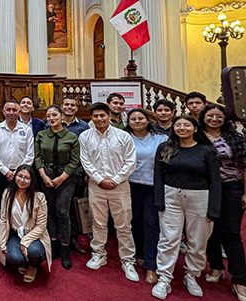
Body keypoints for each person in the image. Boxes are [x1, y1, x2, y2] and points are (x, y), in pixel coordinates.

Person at [152, 115, 220, 300]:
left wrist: (213, 209)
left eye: (186, 125)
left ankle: (192, 275)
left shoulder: (207, 151)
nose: (182, 128)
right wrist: (159, 201)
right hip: (171, 196)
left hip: (199, 198)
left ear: (195, 129)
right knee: (168, 238)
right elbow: (158, 176)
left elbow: (215, 181)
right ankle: (164, 277)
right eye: (178, 125)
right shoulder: (165, 148)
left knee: (197, 240)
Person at [201, 104, 246, 301]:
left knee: (231, 232)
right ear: (203, 118)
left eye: (218, 116)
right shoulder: (197, 136)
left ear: (224, 119)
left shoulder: (235, 138)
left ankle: (239, 279)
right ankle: (216, 266)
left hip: (230, 187)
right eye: (210, 116)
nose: (214, 119)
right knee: (210, 230)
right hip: (204, 189)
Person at [78, 102, 139, 281]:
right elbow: (85, 161)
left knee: (123, 225)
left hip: (119, 186)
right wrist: (100, 179)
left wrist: (115, 179)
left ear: (109, 116)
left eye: (102, 115)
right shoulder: (85, 136)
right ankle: (99, 254)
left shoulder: (123, 136)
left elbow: (131, 161)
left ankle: (128, 260)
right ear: (91, 118)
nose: (99, 119)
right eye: (95, 116)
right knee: (98, 222)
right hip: (96, 186)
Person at [34, 105, 80, 270]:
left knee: (62, 211)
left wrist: (61, 178)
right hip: (46, 176)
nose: (51, 118)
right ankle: (52, 244)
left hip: (65, 178)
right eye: (48, 116)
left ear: (61, 116)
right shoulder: (41, 135)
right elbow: (37, 157)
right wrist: (44, 176)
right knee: (49, 212)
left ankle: (65, 248)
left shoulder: (72, 137)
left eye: (54, 115)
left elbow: (75, 162)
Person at [126, 108, 168, 285]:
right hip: (129, 185)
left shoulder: (161, 138)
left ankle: (152, 265)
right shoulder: (124, 137)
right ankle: (140, 255)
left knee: (152, 223)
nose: (137, 121)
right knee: (134, 222)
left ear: (147, 120)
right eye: (133, 119)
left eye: (140, 118)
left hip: (153, 186)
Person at [0, 99, 35, 235]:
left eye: (14, 110)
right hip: (1, 173)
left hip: (22, 175)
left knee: (20, 204)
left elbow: (30, 154)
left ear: (19, 112)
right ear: (3, 112)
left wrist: (19, 173)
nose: (11, 113)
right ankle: (1, 234)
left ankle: (17, 232)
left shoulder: (26, 130)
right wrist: (5, 171)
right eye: (8, 110)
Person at [0, 164, 52, 283]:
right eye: (20, 176)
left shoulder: (39, 197)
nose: (22, 180)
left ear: (32, 180)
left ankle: (33, 266)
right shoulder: (7, 194)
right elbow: (3, 220)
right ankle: (24, 262)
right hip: (14, 234)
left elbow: (41, 226)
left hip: (34, 235)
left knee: (35, 252)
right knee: (15, 258)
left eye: (27, 178)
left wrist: (25, 242)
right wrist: (2, 244)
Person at [60, 95, 91, 255]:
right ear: (62, 106)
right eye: (66, 104)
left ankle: (74, 239)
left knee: (74, 208)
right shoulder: (55, 123)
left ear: (76, 108)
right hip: (57, 174)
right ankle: (60, 239)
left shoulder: (84, 127)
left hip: (76, 173)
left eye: (72, 105)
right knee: (60, 209)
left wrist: (85, 173)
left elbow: (87, 151)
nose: (69, 107)